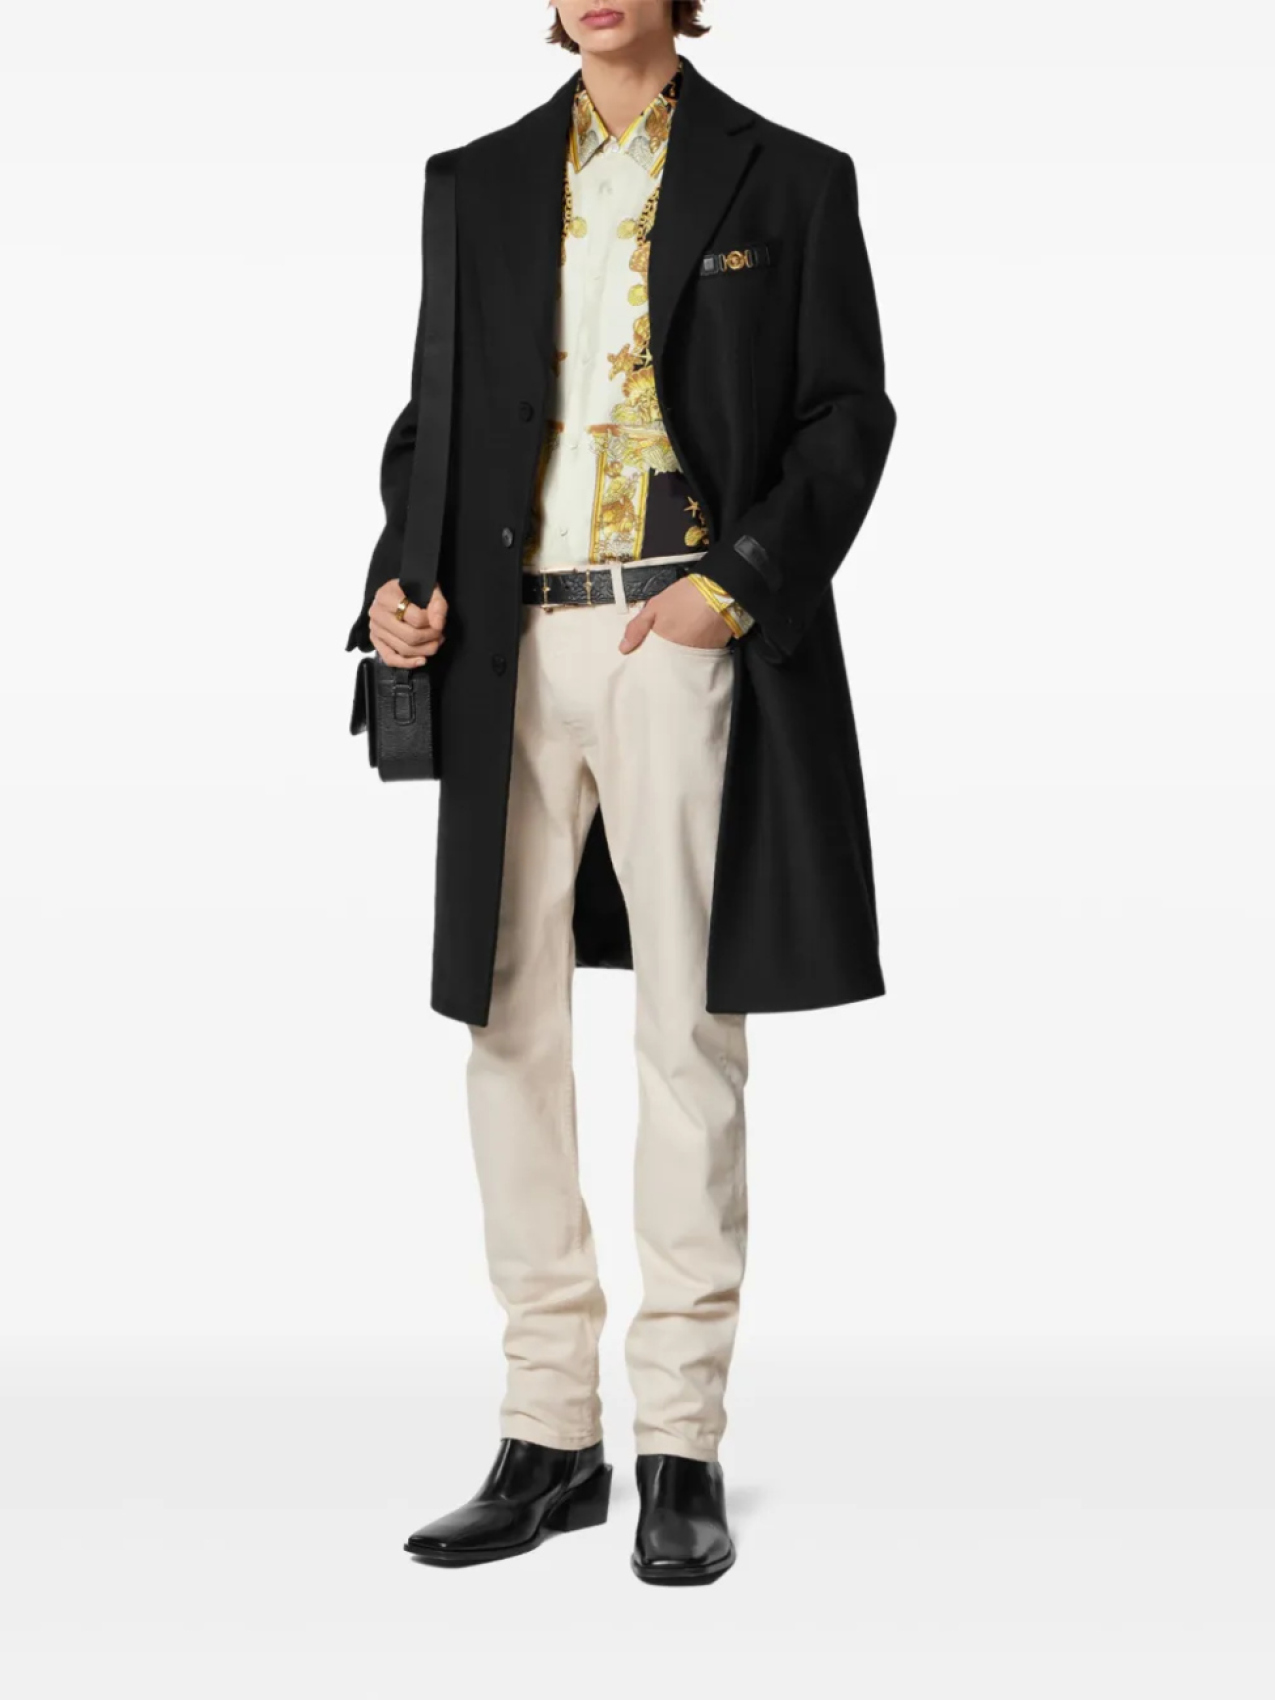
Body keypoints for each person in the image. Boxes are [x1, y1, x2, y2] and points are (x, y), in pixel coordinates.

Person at [345, 0, 895, 1585]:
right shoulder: (474, 181)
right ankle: (548, 1436)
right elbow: (432, 422)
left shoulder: (788, 177)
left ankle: (679, 1444)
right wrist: (399, 580)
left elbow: (845, 415)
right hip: (505, 644)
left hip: (675, 631)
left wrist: (738, 582)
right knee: (505, 1022)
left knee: (686, 1031)